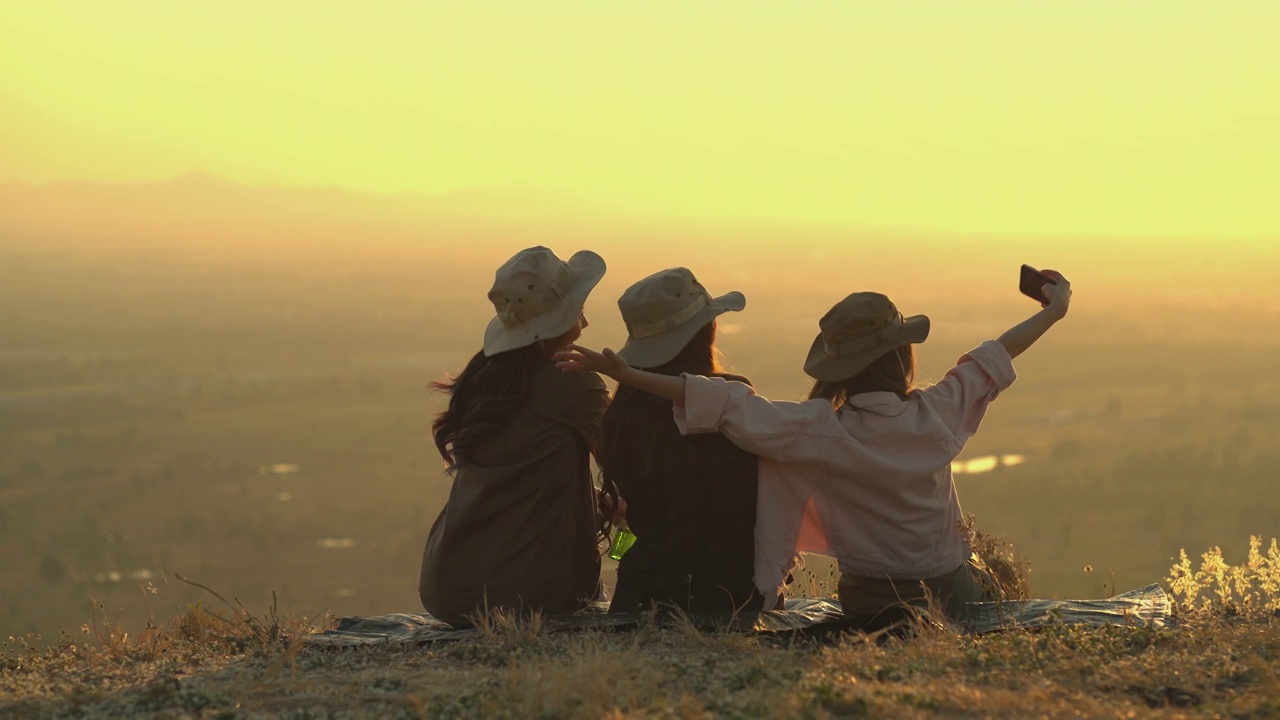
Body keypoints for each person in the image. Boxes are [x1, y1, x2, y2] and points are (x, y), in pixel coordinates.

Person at [558, 271, 1072, 622]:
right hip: (944, 586)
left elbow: (720, 402)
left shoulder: (814, 429)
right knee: (996, 585)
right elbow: (993, 356)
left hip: (866, 597)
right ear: (902, 356)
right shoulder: (937, 413)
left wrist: (630, 375)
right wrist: (1054, 311)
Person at [419, 246, 610, 626]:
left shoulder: (484, 380)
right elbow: (628, 454)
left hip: (446, 587)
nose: (584, 322)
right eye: (576, 310)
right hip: (528, 596)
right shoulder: (574, 385)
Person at [597, 267, 764, 615]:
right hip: (732, 596)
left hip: (645, 596)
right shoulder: (729, 398)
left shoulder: (622, 413)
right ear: (707, 331)